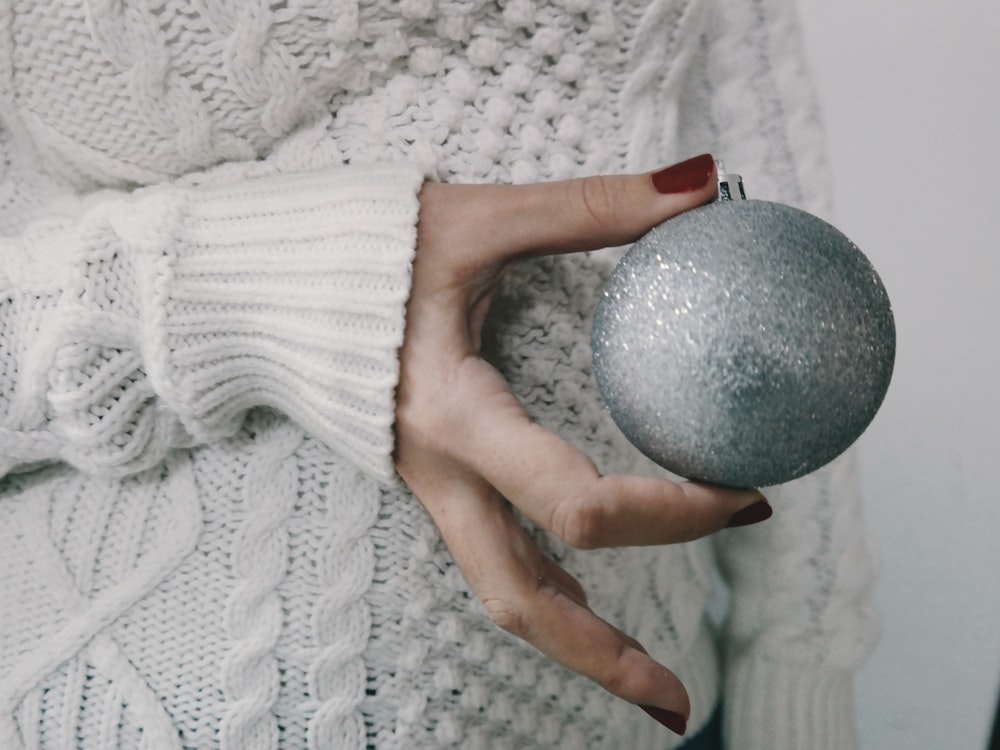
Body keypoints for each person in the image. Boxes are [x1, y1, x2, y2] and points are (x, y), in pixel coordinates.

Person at [0, 0, 879, 748]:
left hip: (631, 700)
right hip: (146, 694)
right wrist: (274, 283)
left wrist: (799, 662)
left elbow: (771, 210)